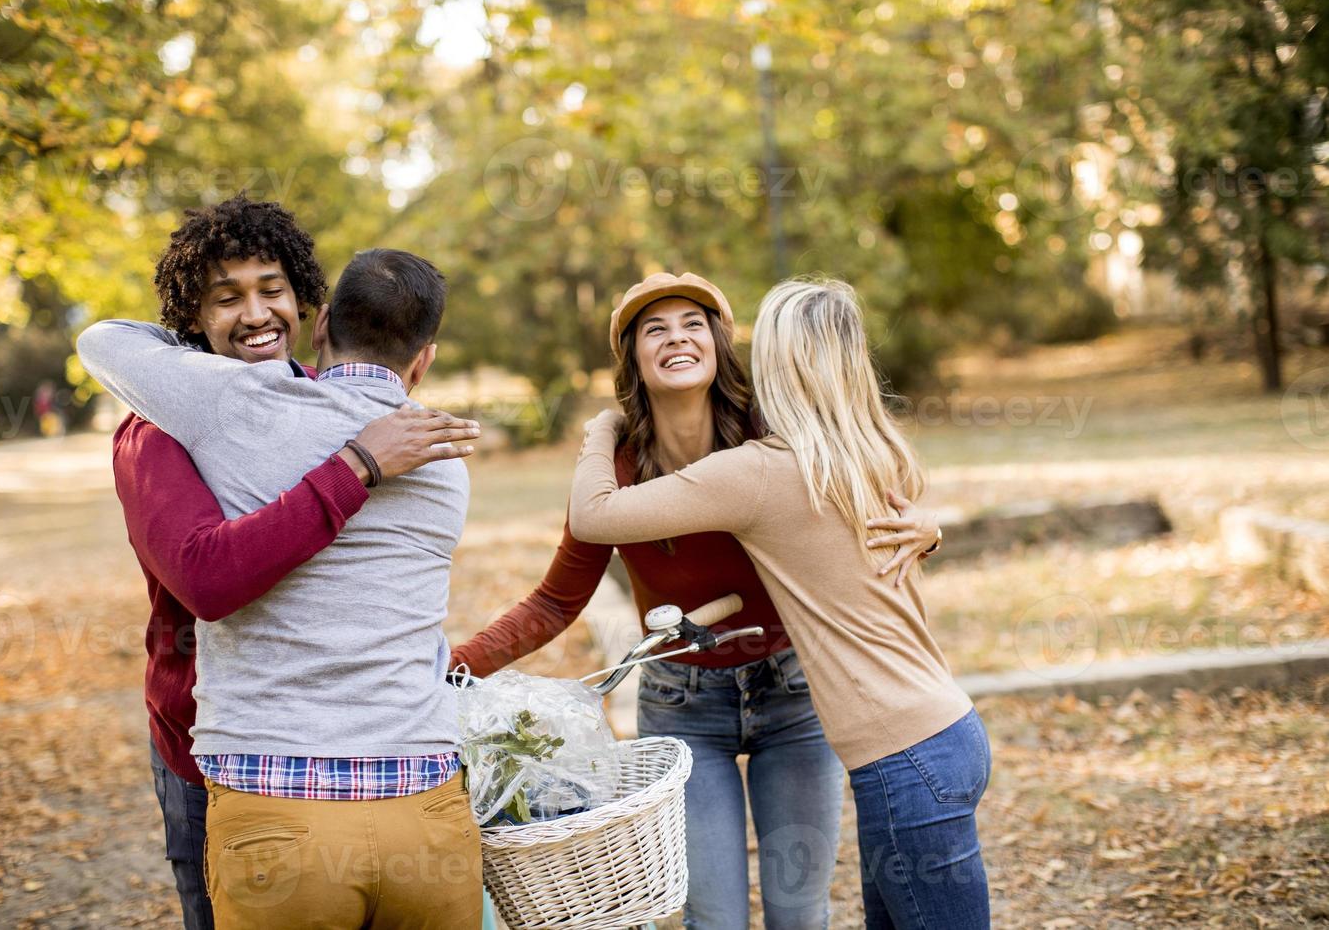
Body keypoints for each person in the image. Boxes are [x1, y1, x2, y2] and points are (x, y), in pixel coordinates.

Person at [451, 272, 941, 929]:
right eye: (655, 328)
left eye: (693, 324)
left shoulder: (771, 438)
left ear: (718, 344)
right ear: (633, 359)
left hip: (795, 693)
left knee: (799, 913)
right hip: (685, 705)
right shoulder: (616, 475)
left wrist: (927, 526)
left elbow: (864, 470)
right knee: (714, 919)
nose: (676, 338)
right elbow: (553, 601)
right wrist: (455, 669)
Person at [79, 243, 484, 929]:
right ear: (426, 359)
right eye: (224, 298)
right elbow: (209, 578)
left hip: (289, 777)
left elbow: (103, 340)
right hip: (202, 747)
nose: (255, 313)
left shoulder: (248, 406)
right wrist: (357, 464)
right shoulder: (164, 426)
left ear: (314, 317)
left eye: (271, 290)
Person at [567, 277, 991, 930]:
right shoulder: (870, 452)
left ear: (777, 365)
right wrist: (932, 529)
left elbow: (594, 515)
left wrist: (601, 430)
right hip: (942, 735)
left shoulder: (758, 470)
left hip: (905, 764)